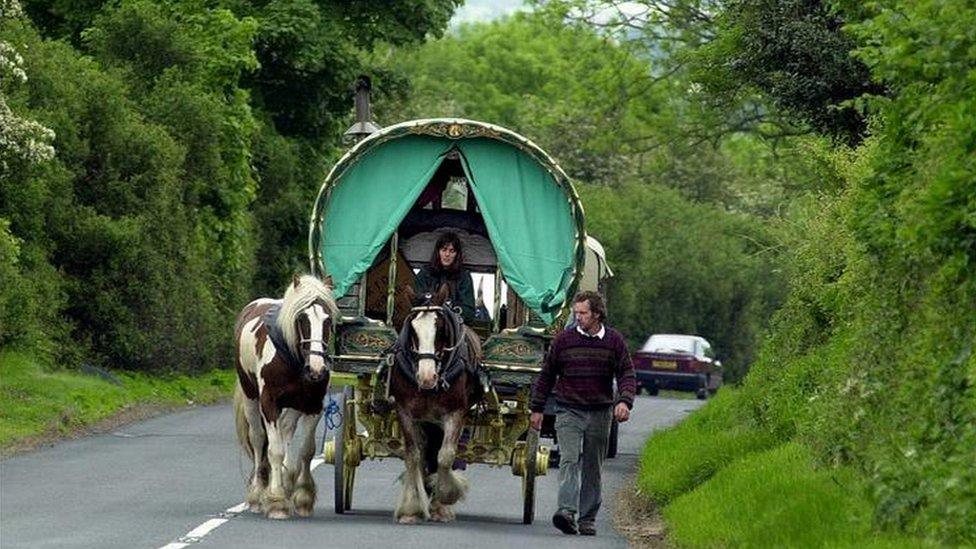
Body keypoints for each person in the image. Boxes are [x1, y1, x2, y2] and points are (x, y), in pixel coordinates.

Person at [530, 291, 636, 536]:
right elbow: (546, 376)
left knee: (593, 465)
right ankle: (566, 511)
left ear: (597, 314)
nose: (578, 317)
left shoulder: (614, 341)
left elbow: (627, 374)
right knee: (569, 459)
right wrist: (537, 408)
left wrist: (624, 402)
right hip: (569, 410)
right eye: (576, 313)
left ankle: (587, 518)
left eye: (583, 313)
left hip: (600, 412)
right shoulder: (564, 341)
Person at [413, 231, 476, 324]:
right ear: (438, 252)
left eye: (452, 251)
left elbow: (469, 312)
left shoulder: (464, 276)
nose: (447, 254)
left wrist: (451, 310)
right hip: (426, 320)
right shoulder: (425, 273)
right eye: (444, 249)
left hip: (454, 323)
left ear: (456, 254)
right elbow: (417, 300)